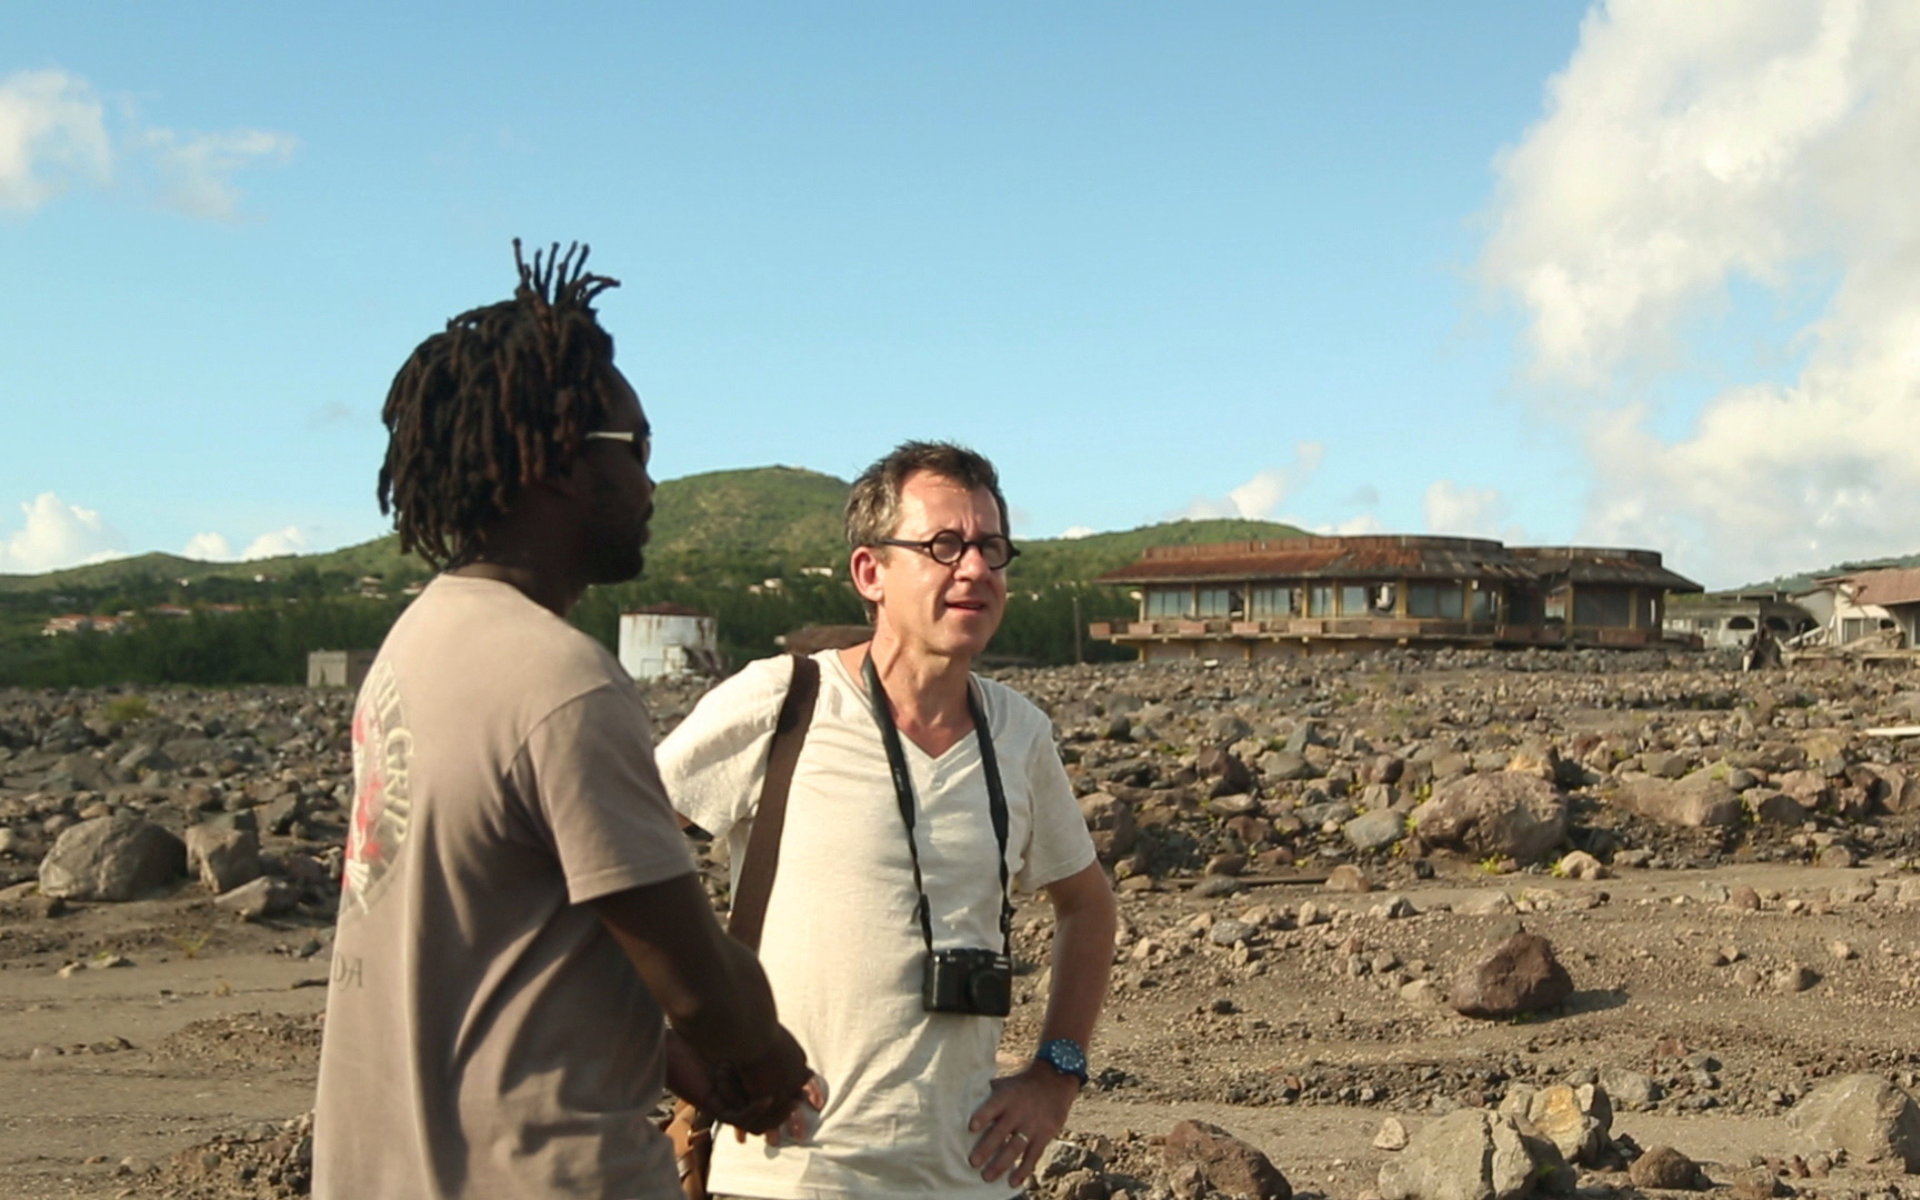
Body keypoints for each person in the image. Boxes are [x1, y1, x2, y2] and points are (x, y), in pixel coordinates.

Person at [313, 241, 811, 1199]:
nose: (653, 486)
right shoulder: (564, 685)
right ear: (556, 466)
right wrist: (764, 1064)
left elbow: (515, 941)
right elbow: (695, 973)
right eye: (639, 450)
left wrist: (677, 1059)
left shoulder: (416, 646)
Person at [658, 441, 1118, 1199]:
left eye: (991, 547)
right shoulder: (782, 703)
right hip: (786, 1173)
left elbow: (1088, 905)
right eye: (944, 546)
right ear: (870, 572)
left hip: (966, 1177)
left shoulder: (1020, 734)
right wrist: (680, 1048)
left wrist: (1054, 1076)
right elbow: (606, 866)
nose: (975, 569)